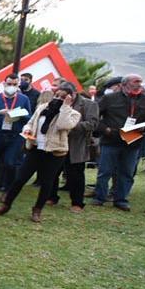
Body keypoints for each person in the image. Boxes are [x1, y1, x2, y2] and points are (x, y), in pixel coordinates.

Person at [0, 83, 81, 221]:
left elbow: (63, 125)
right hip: (36, 148)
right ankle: (6, 205)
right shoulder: (42, 107)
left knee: (47, 182)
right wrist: (27, 129)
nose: (58, 98)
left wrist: (65, 107)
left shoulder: (73, 113)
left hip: (55, 153)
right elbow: (31, 122)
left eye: (63, 97)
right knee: (20, 178)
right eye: (57, 95)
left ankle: (37, 210)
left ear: (70, 98)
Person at [92, 74, 145, 210]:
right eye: (136, 81)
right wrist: (105, 129)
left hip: (133, 140)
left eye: (140, 81)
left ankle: (121, 199)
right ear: (124, 84)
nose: (139, 84)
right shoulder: (110, 98)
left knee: (127, 172)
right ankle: (99, 197)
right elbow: (95, 115)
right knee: (105, 171)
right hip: (111, 139)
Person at [49, 83, 100, 212]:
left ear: (73, 94)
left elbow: (92, 124)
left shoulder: (89, 104)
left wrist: (69, 125)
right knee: (52, 172)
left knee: (76, 174)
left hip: (76, 144)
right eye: (59, 95)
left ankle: (77, 202)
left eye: (64, 96)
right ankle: (51, 197)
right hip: (57, 142)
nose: (61, 98)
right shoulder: (56, 101)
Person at [0, 76, 33, 201]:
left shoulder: (23, 99)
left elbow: (30, 117)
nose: (11, 86)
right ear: (4, 83)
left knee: (10, 163)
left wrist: (20, 114)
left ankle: (7, 190)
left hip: (15, 135)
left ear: (18, 85)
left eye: (14, 84)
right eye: (9, 83)